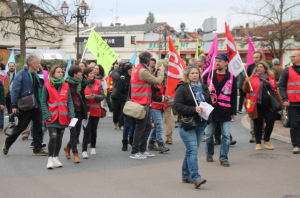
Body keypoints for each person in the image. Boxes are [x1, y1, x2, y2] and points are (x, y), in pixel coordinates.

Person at [2, 54, 47, 156]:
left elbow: (41, 85)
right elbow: (14, 90)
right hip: (26, 106)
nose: (39, 65)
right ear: (32, 64)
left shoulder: (35, 74)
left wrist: (40, 73)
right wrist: (13, 105)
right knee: (21, 127)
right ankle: (8, 143)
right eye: (37, 63)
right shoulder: (21, 74)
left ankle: (37, 149)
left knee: (38, 127)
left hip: (36, 105)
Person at [174, 66, 210, 188]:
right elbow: (177, 106)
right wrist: (193, 109)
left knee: (191, 151)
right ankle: (196, 177)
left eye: (197, 73)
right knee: (193, 151)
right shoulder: (182, 87)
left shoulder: (204, 87)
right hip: (187, 123)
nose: (195, 75)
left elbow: (208, 101)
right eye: (192, 73)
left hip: (201, 123)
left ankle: (185, 175)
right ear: (188, 75)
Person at [203, 54, 237, 167]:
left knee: (226, 136)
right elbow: (200, 92)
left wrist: (233, 112)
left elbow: (234, 96)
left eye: (220, 61)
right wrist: (206, 90)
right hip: (211, 111)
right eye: (216, 61)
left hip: (225, 110)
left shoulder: (232, 77)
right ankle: (209, 154)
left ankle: (223, 158)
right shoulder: (208, 75)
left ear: (226, 63)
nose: (217, 63)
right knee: (209, 135)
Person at [130, 51, 165, 159]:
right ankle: (135, 152)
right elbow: (157, 81)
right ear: (149, 61)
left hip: (144, 102)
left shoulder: (139, 68)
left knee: (147, 126)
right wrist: (162, 72)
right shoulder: (142, 70)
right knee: (140, 128)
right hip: (141, 103)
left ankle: (142, 150)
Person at [244, 61, 282, 150]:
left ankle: (266, 141)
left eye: (261, 67)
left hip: (269, 106)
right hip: (257, 106)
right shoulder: (252, 78)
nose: (259, 68)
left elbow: (275, 92)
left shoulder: (271, 79)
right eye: (258, 67)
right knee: (258, 124)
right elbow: (246, 90)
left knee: (270, 122)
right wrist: (246, 82)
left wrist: (281, 103)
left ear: (265, 69)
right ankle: (258, 143)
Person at [42, 65, 75, 169]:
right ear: (53, 74)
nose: (61, 74)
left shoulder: (65, 85)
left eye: (62, 72)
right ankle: (50, 159)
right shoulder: (46, 86)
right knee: (53, 137)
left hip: (63, 117)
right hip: (51, 117)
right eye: (58, 72)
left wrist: (72, 115)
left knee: (59, 139)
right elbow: (43, 102)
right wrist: (46, 115)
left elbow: (69, 101)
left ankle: (56, 158)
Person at [64, 66, 88, 163]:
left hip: (79, 110)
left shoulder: (81, 82)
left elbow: (83, 98)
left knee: (77, 134)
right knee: (73, 134)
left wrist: (86, 109)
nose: (81, 74)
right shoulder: (66, 84)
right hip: (71, 112)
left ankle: (67, 147)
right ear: (74, 74)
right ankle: (75, 154)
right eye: (79, 72)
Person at [278, 50, 300, 154]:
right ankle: (296, 145)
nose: (291, 58)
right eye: (291, 56)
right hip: (292, 103)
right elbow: (281, 85)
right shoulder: (287, 70)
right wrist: (284, 99)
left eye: (294, 56)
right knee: (294, 125)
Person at [82, 67, 105, 159]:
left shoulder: (98, 82)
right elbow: (78, 96)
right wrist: (85, 97)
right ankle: (84, 150)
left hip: (96, 110)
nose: (93, 75)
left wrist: (94, 96)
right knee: (86, 130)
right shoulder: (81, 83)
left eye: (93, 73)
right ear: (85, 75)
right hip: (86, 111)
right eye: (90, 73)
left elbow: (102, 96)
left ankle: (93, 147)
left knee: (93, 129)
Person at [148, 69, 169, 153]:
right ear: (156, 73)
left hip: (161, 107)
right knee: (159, 125)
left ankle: (151, 142)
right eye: (159, 71)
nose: (160, 72)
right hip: (155, 106)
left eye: (162, 71)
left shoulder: (165, 83)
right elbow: (152, 95)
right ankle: (160, 144)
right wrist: (163, 98)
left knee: (157, 125)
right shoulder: (155, 83)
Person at [116, 63, 135, 151]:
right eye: (133, 69)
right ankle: (124, 142)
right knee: (127, 124)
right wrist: (127, 98)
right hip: (126, 103)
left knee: (134, 124)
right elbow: (119, 93)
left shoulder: (134, 78)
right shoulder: (122, 79)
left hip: (135, 104)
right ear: (129, 70)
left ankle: (131, 139)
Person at [247, 51, 264, 143]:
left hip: (262, 97)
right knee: (252, 116)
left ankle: (262, 133)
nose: (255, 59)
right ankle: (253, 134)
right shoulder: (250, 67)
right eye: (254, 57)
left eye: (257, 57)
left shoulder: (265, 67)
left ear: (261, 58)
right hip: (252, 98)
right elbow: (247, 81)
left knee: (262, 117)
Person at [110, 61, 124, 130]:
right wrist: (123, 73)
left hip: (123, 93)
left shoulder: (126, 73)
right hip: (115, 93)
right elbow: (117, 77)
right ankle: (115, 121)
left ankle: (121, 124)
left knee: (122, 110)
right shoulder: (114, 71)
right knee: (115, 110)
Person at [0, 63, 10, 133]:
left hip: (2, 97)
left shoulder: (5, 76)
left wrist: (2, 102)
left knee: (0, 114)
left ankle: (0, 127)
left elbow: (4, 89)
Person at [6, 62, 16, 127]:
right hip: (7, 93)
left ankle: (12, 121)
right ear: (8, 67)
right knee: (8, 106)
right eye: (10, 66)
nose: (11, 67)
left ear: (14, 67)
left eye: (12, 66)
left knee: (12, 107)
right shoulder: (6, 75)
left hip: (14, 93)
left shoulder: (17, 75)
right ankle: (11, 120)